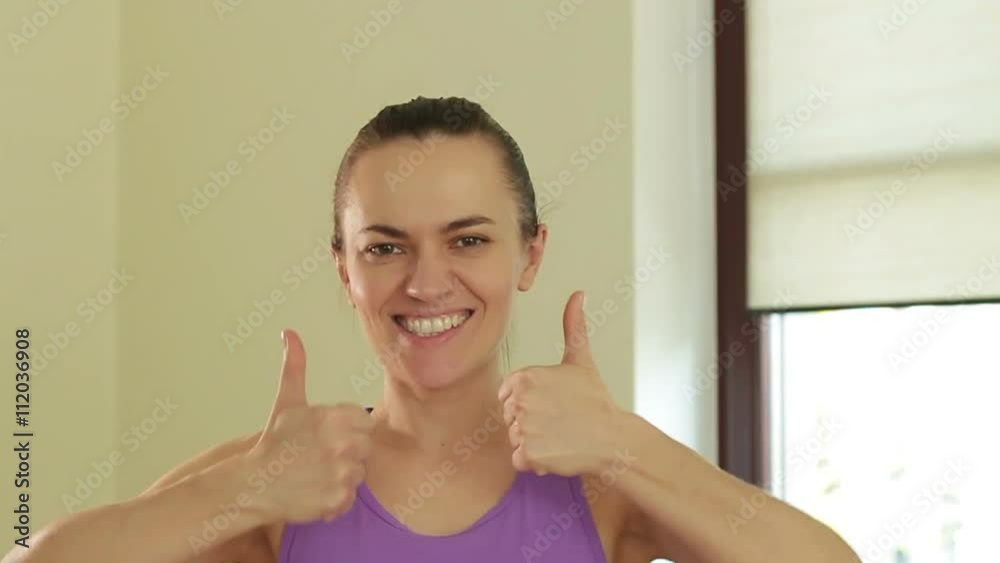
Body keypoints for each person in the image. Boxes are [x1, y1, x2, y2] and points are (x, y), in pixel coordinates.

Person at [3, 97, 861, 563]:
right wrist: (245, 489)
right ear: (344, 269)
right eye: (385, 247)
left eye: (469, 239)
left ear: (530, 253)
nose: (424, 281)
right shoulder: (280, 483)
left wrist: (623, 443)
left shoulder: (604, 485)